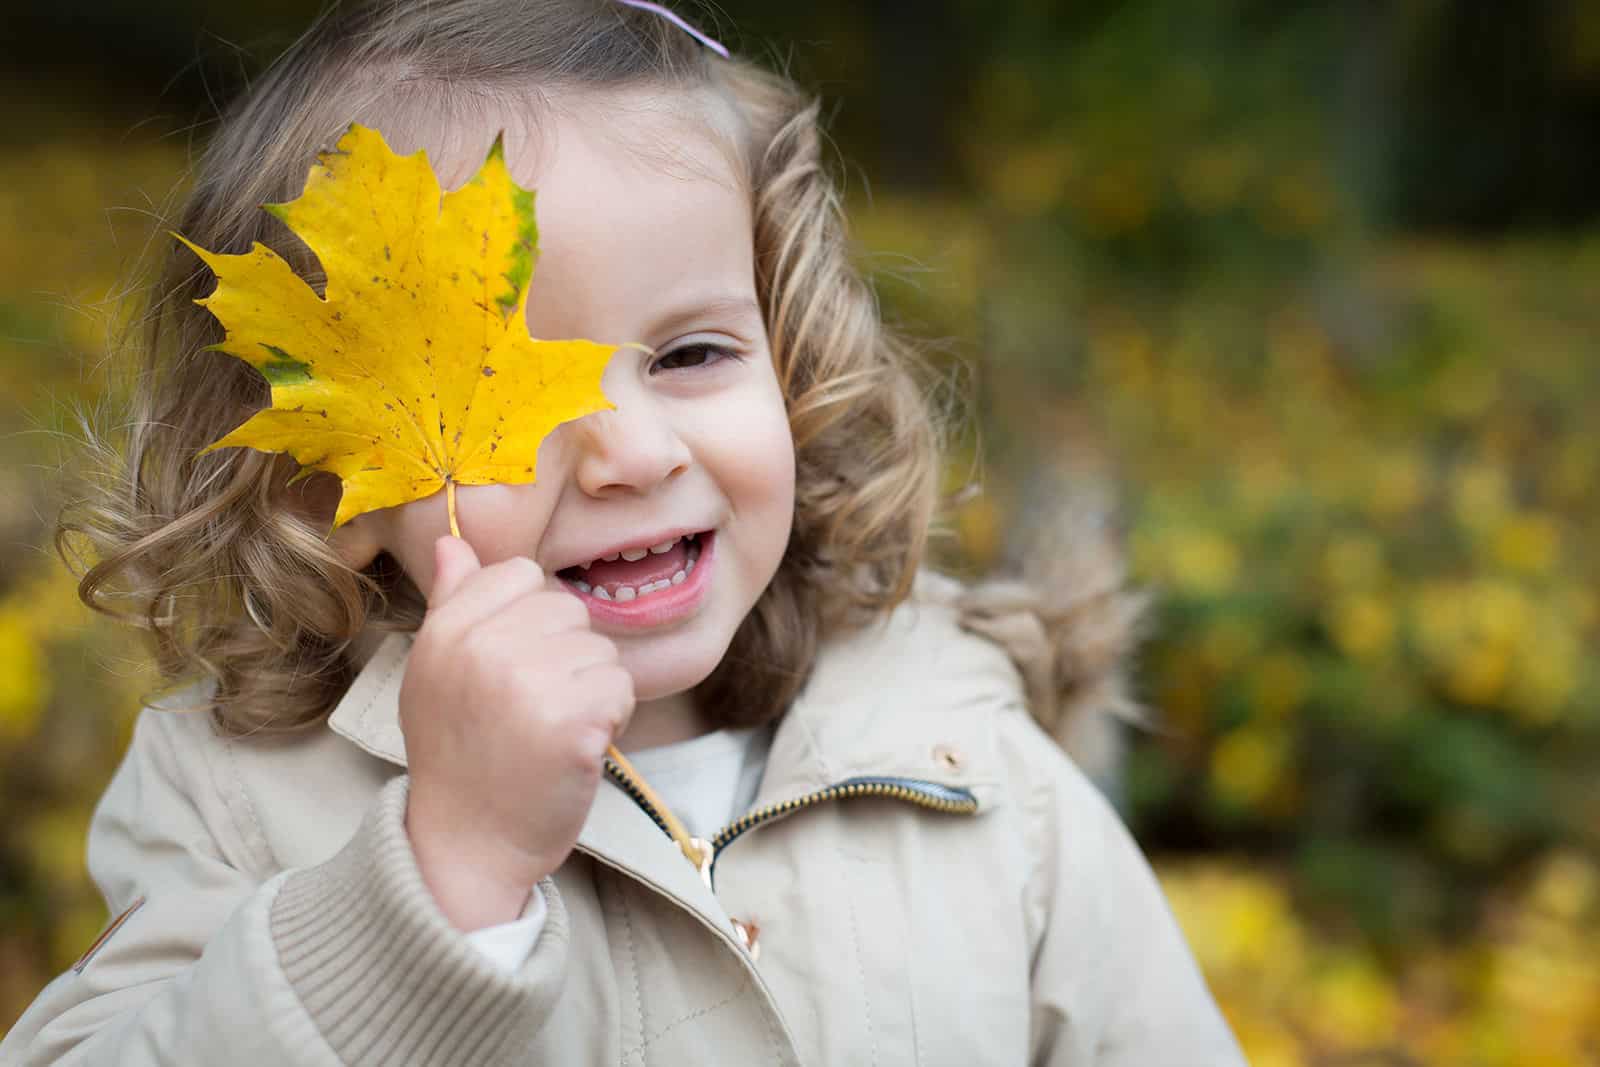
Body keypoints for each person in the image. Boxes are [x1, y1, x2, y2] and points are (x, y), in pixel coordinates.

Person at [1, 1, 1246, 1063]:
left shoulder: (964, 747)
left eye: (694, 353)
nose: (636, 453)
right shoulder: (237, 798)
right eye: (514, 396)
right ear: (320, 484)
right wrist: (439, 876)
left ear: (793, 365)